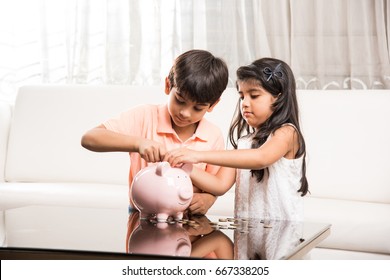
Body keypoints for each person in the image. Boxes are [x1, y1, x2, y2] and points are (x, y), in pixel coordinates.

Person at [81, 49, 229, 215]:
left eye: (198, 108)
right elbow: (90, 138)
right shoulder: (144, 116)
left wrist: (209, 198)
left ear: (213, 105)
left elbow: (216, 183)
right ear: (168, 85)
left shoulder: (213, 135)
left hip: (189, 220)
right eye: (180, 100)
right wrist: (138, 143)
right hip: (142, 215)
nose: (185, 113)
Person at [164, 57, 309, 221]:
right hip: (247, 236)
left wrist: (196, 155)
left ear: (279, 97)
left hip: (283, 234)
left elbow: (261, 158)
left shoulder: (287, 133)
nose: (245, 103)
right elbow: (219, 185)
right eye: (242, 96)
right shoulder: (244, 143)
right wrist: (184, 166)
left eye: (254, 96)